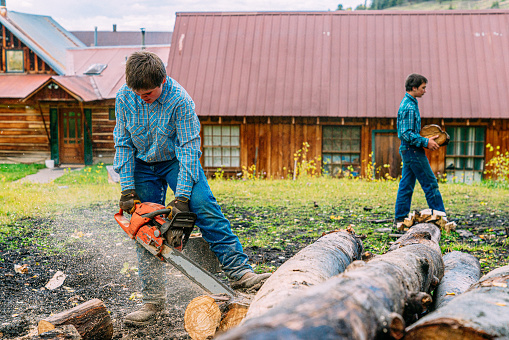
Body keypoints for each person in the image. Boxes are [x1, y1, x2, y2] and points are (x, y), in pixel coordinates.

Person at [113, 51, 270, 326]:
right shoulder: (125, 97)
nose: (142, 97)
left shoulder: (180, 101)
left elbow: (188, 149)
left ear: (162, 79)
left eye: (148, 92)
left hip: (175, 159)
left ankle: (240, 272)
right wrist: (127, 188)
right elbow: (123, 142)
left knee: (204, 205)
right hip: (140, 163)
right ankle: (153, 300)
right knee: (145, 227)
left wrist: (182, 197)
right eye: (137, 92)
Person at [394, 73, 446, 227]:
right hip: (413, 150)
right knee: (430, 183)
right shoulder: (409, 106)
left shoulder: (411, 102)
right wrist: (425, 142)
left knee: (406, 184)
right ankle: (441, 217)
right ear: (414, 87)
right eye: (423, 88)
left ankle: (400, 218)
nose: (425, 91)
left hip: (410, 150)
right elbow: (405, 133)